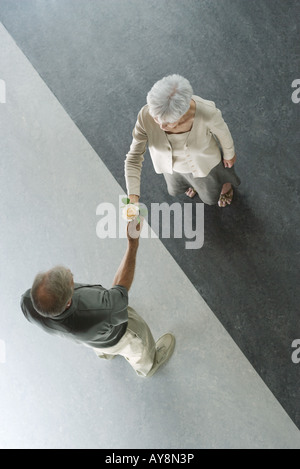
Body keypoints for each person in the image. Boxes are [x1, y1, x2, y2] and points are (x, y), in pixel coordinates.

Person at [20, 220, 175, 378]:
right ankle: (148, 366)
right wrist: (132, 244)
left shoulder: (28, 302)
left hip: (92, 339)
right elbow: (118, 292)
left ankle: (106, 354)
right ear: (67, 302)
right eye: (70, 279)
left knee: (100, 344)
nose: (69, 271)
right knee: (139, 344)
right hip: (119, 335)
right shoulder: (99, 310)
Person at [125, 74, 240, 207]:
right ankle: (193, 185)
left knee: (213, 187)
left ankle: (225, 189)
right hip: (173, 169)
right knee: (179, 185)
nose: (161, 126)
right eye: (156, 118)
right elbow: (133, 158)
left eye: (168, 123)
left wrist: (229, 154)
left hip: (205, 165)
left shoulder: (207, 113)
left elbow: (223, 134)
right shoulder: (145, 116)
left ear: (184, 113)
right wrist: (133, 196)